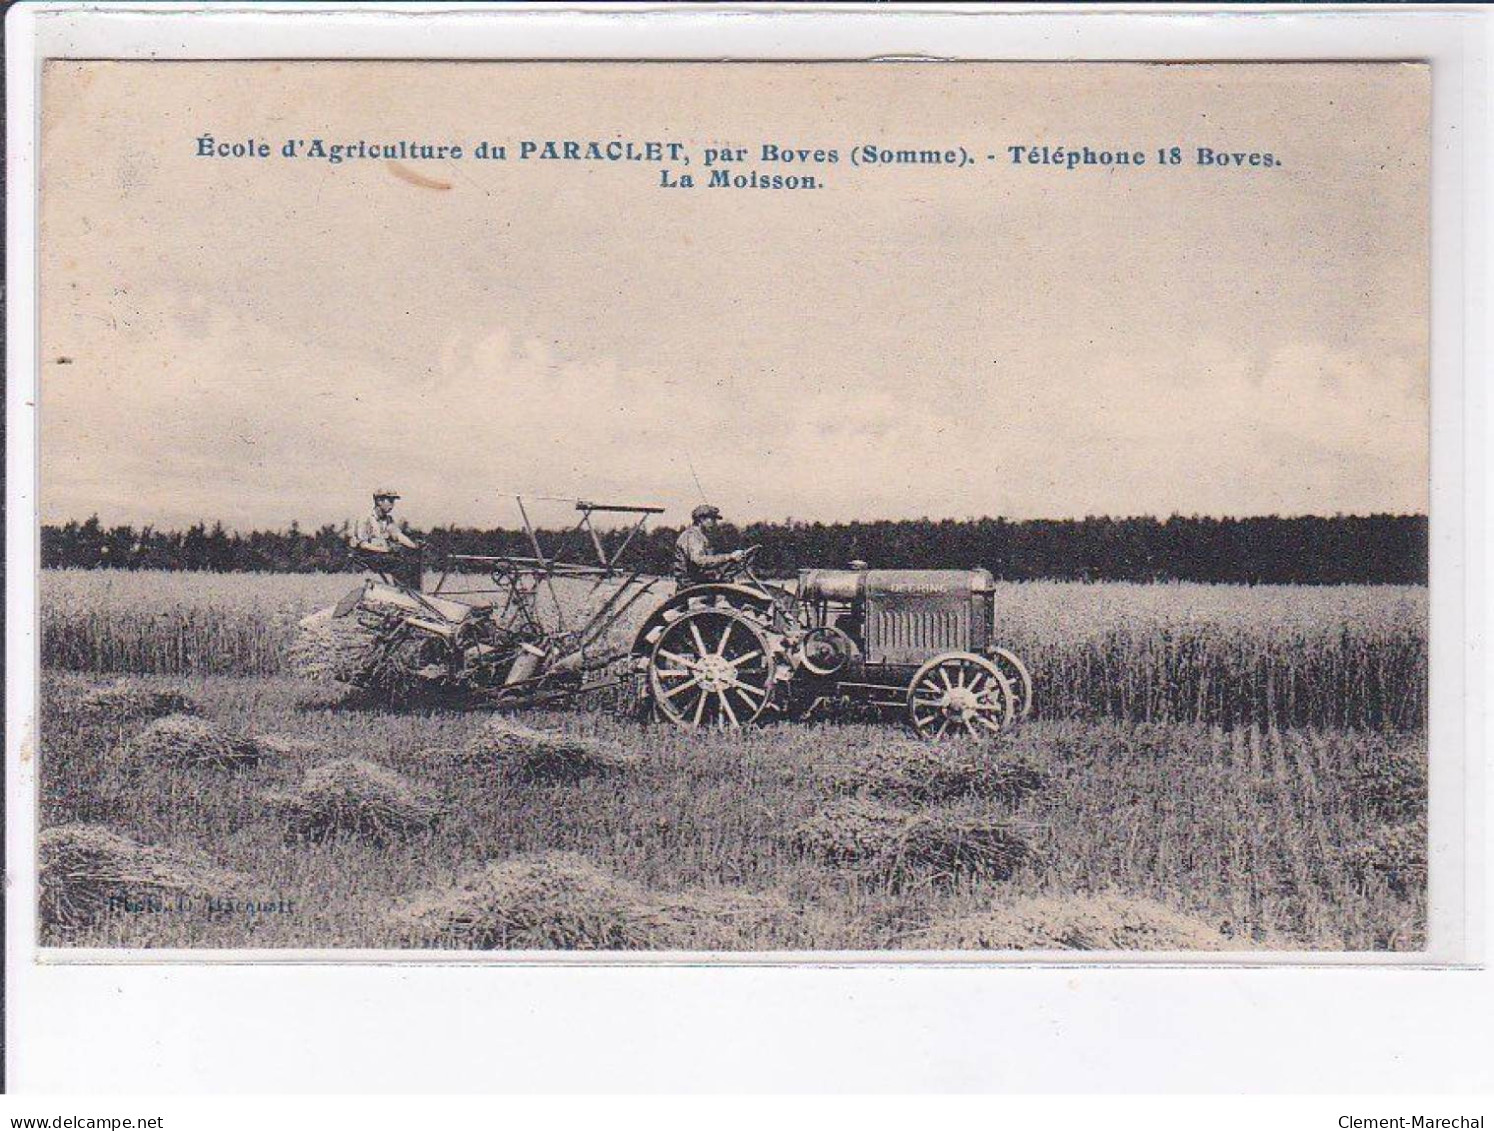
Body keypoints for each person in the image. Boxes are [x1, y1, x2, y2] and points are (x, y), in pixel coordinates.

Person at [349, 488, 423, 589]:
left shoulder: (388, 519)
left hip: (381, 554)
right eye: (390, 501)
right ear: (379, 501)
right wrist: (387, 549)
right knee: (399, 563)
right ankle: (403, 593)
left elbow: (398, 535)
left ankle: (415, 593)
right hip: (365, 556)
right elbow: (363, 544)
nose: (393, 505)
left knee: (413, 560)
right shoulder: (365, 518)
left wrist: (415, 546)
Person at [672, 503, 747, 589]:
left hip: (699, 579)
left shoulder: (702, 536)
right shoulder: (692, 536)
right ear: (701, 519)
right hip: (690, 583)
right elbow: (699, 561)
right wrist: (729, 557)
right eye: (713, 520)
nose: (715, 523)